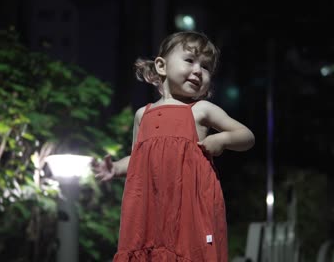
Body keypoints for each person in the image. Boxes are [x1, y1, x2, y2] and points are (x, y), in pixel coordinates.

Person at [91, 31, 255, 261]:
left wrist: (221, 140)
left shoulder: (201, 109)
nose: (199, 70)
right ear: (161, 66)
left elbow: (246, 135)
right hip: (151, 210)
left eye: (206, 67)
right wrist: (116, 168)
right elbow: (139, 158)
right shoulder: (143, 114)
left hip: (190, 210)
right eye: (190, 60)